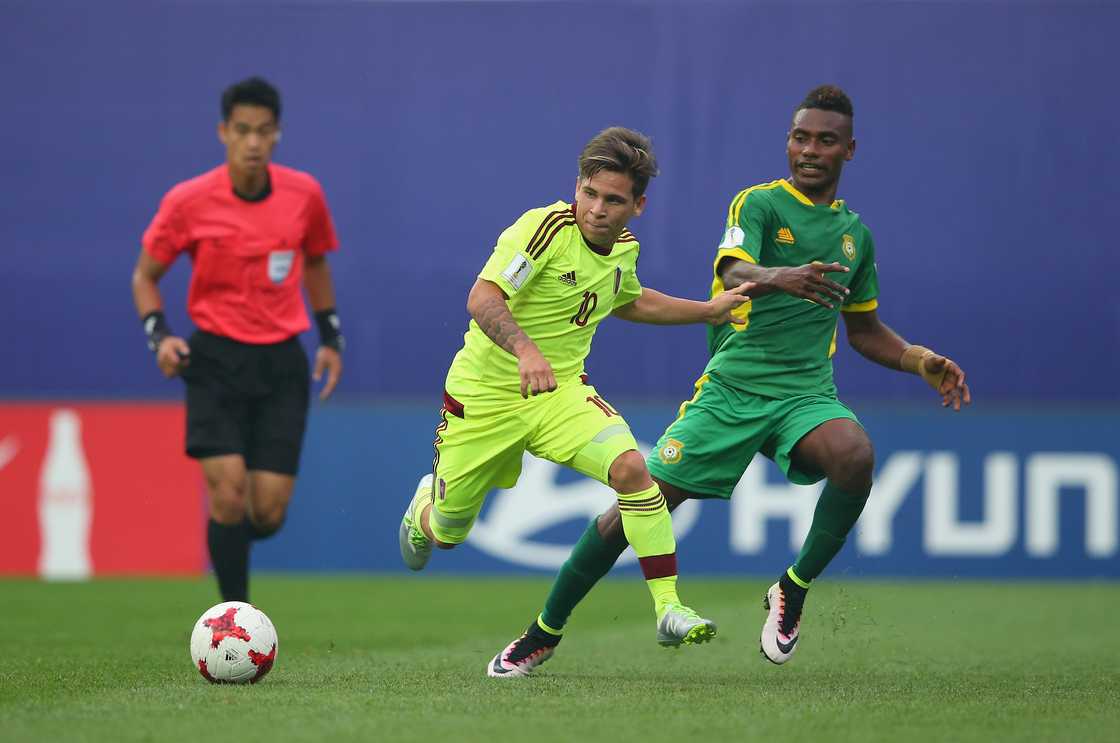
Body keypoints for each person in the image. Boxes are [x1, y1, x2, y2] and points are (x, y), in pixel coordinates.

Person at [489, 84, 972, 676]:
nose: (810, 150)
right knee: (639, 504)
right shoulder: (760, 205)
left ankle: (791, 588)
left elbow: (865, 332)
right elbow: (734, 268)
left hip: (805, 393)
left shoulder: (856, 237)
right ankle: (544, 631)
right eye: (800, 138)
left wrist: (918, 359)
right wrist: (777, 275)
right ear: (788, 143)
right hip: (732, 387)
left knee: (854, 455)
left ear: (850, 149)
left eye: (825, 140)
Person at [397, 126, 755, 677]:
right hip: (487, 398)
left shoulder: (624, 250)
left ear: (638, 205)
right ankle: (423, 513)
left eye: (614, 200)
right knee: (447, 533)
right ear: (578, 187)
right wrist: (525, 350)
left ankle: (668, 607)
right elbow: (483, 296)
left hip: (561, 393)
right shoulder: (542, 229)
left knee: (634, 469)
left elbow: (629, 300)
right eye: (590, 193)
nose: (597, 209)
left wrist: (705, 310)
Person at [131, 77, 344, 603]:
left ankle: (225, 548)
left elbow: (314, 259)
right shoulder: (188, 201)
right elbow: (144, 277)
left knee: (267, 512)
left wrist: (330, 337)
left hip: (280, 364)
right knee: (226, 494)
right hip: (215, 359)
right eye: (243, 130)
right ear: (224, 132)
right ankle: (233, 619)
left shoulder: (304, 194)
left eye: (264, 131)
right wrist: (159, 336)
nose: (253, 142)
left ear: (278, 136)